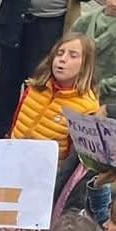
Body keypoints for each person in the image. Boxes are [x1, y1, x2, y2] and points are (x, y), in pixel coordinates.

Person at [9, 32, 101, 161]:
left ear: (85, 65)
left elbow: (77, 156)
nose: (62, 59)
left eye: (73, 56)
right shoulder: (36, 86)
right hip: (14, 157)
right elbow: (16, 120)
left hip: (46, 169)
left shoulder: (87, 108)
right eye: (59, 53)